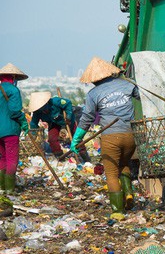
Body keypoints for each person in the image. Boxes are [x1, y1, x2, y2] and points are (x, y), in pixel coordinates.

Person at [71, 57, 140, 218]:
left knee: (111, 173)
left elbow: (87, 118)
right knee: (123, 164)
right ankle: (129, 193)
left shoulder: (93, 94)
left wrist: (77, 138)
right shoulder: (127, 84)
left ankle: (118, 210)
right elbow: (140, 95)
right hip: (131, 135)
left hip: (110, 137)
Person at [29, 91, 91, 163]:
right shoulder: (37, 112)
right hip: (54, 123)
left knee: (76, 137)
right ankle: (60, 157)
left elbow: (68, 103)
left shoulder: (55, 101)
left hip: (67, 120)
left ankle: (85, 156)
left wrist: (68, 116)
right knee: (52, 139)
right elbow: (33, 123)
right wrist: (34, 135)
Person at [0, 63, 29, 194]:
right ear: (13, 78)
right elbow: (14, 111)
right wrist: (23, 122)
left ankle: (1, 188)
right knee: (12, 158)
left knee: (2, 158)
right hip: (10, 130)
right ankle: (10, 190)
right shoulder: (13, 90)